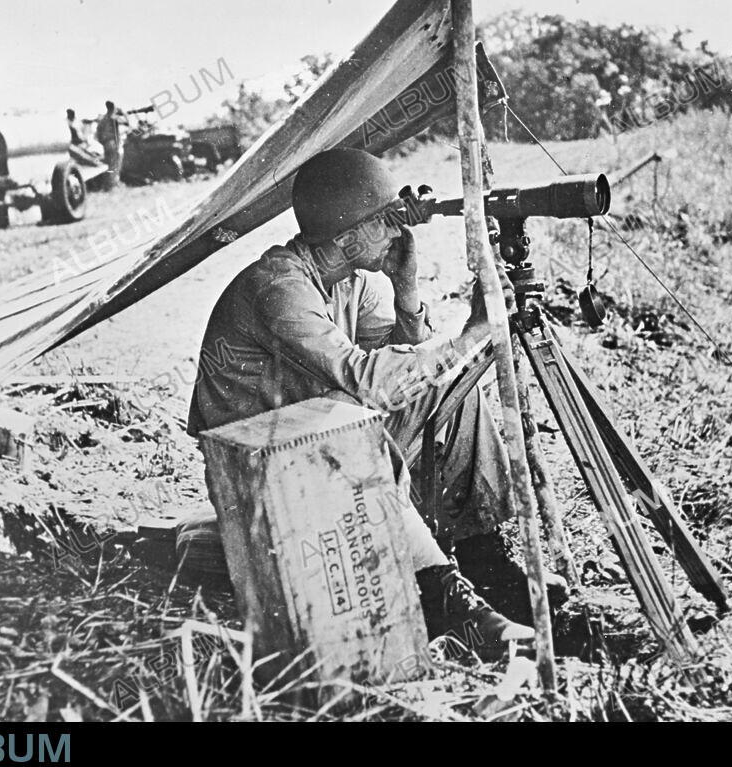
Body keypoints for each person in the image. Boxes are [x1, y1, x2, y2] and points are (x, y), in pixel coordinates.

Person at [187, 148, 566, 650]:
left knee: (451, 388)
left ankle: (483, 561)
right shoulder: (278, 288)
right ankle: (446, 601)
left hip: (319, 453)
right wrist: (474, 334)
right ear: (346, 238)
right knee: (355, 419)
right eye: (385, 221)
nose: (397, 232)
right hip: (259, 477)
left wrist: (405, 289)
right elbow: (370, 383)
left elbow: (402, 371)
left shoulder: (350, 280)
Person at [95, 100, 129, 187]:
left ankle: (109, 183)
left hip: (106, 144)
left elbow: (98, 133)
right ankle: (114, 184)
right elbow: (126, 123)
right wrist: (123, 113)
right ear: (113, 108)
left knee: (109, 164)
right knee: (116, 164)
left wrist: (103, 142)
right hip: (114, 143)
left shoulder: (103, 119)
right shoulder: (114, 117)